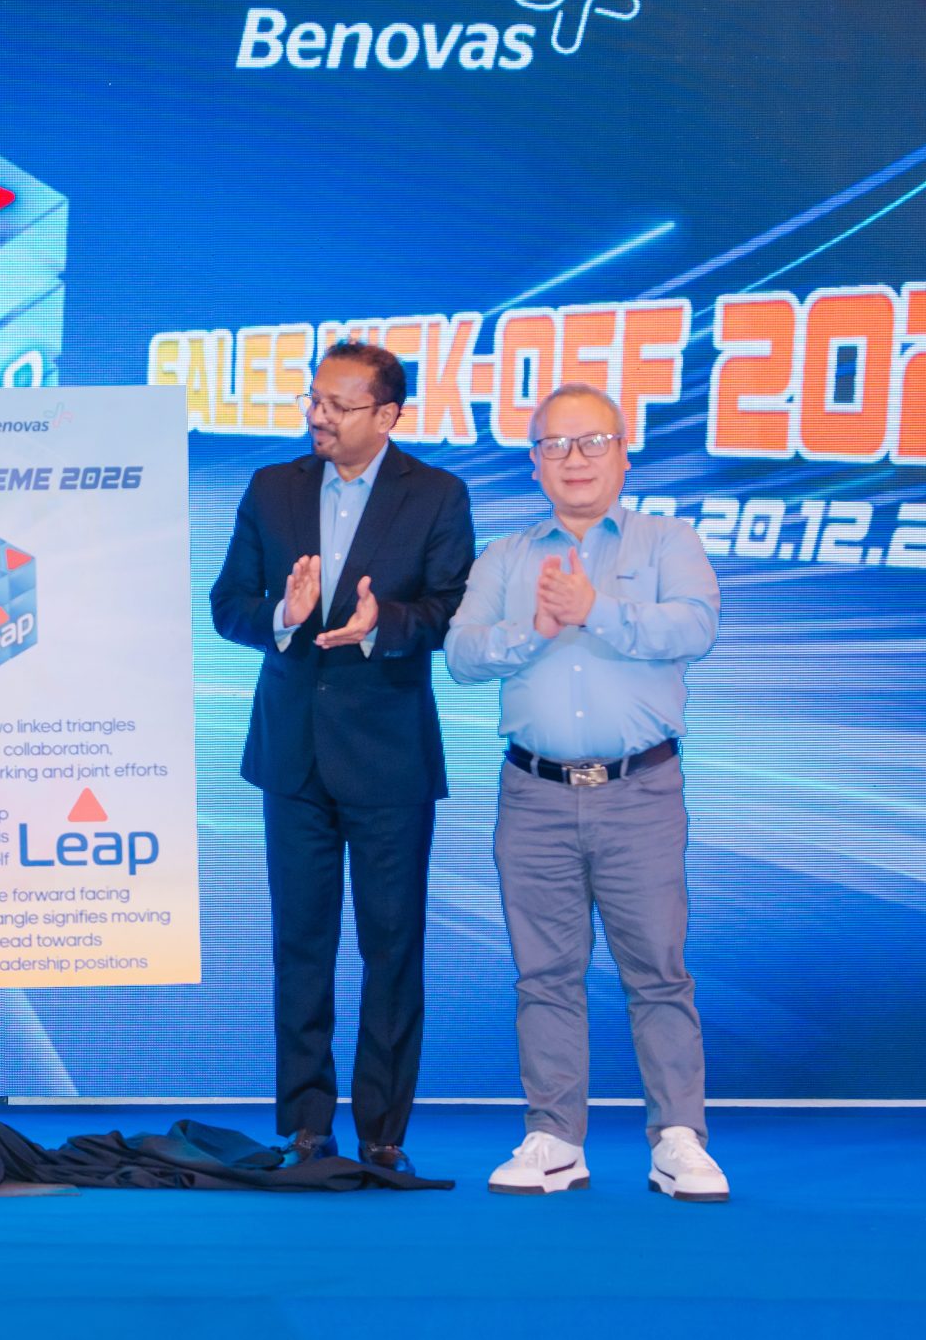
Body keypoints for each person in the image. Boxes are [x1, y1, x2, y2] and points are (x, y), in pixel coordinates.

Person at [444, 381, 729, 1203]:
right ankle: (555, 1137)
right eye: (556, 445)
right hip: (532, 793)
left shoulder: (668, 540)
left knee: (658, 971)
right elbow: (461, 654)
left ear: (623, 455)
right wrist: (531, 631)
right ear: (534, 463)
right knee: (544, 973)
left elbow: (696, 626)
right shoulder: (505, 556)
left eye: (593, 441)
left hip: (640, 790)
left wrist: (595, 609)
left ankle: (677, 1138)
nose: (575, 459)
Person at [208, 339, 474, 1174]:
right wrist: (282, 617)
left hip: (389, 755)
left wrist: (380, 624)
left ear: (387, 415)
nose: (316, 415)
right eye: (312, 400)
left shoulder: (436, 494)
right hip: (291, 754)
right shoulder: (273, 487)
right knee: (301, 942)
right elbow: (227, 604)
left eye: (336, 404)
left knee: (391, 946)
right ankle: (306, 1124)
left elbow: (451, 610)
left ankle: (383, 1132)